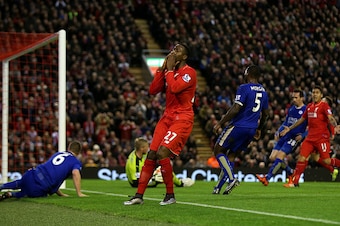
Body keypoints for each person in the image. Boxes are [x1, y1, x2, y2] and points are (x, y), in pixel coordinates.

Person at [124, 43, 197, 205]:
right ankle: (138, 196)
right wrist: (162, 69)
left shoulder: (189, 73)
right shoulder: (169, 71)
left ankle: (170, 195)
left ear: (184, 57)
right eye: (173, 48)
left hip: (182, 118)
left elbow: (176, 88)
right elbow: (153, 89)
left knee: (162, 152)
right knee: (151, 154)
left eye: (177, 50)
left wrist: (169, 70)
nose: (173, 51)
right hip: (167, 117)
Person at [212, 65, 269, 195]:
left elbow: (236, 108)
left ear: (248, 74)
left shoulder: (244, 88)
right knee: (231, 155)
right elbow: (266, 114)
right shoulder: (263, 91)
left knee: (218, 150)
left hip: (238, 126)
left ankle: (231, 179)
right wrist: (259, 129)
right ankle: (218, 188)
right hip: (252, 129)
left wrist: (220, 123)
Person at [281, 86, 340, 187]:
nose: (314, 94)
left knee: (326, 160)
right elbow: (301, 120)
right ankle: (295, 182)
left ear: (321, 95)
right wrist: (289, 128)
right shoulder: (309, 106)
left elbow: (330, 118)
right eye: (313, 92)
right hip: (310, 139)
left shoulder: (324, 106)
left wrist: (336, 126)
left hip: (321, 138)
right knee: (301, 158)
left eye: (317, 92)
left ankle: (333, 168)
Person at [0, 140, 87, 201]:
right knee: (27, 192)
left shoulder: (58, 153)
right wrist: (79, 193)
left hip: (32, 173)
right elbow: (75, 173)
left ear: (69, 148)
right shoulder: (76, 162)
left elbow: (52, 172)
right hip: (40, 186)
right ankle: (11, 194)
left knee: (20, 182)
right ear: (78, 152)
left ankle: (2, 186)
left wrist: (61, 194)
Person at [256, 89, 307, 186]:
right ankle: (291, 172)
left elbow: (311, 126)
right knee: (272, 157)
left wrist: (303, 135)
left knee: (279, 156)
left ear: (302, 98)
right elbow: (286, 122)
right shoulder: (291, 109)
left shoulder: (305, 110)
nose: (294, 100)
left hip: (294, 138)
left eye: (296, 98)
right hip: (285, 135)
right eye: (293, 98)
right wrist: (279, 131)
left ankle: (267, 178)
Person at [125, 137, 194, 188]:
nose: (148, 149)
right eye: (147, 147)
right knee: (162, 173)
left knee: (163, 169)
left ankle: (179, 182)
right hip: (138, 182)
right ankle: (180, 184)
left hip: (144, 177)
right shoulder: (134, 161)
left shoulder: (138, 154)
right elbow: (135, 181)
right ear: (142, 148)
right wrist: (154, 179)